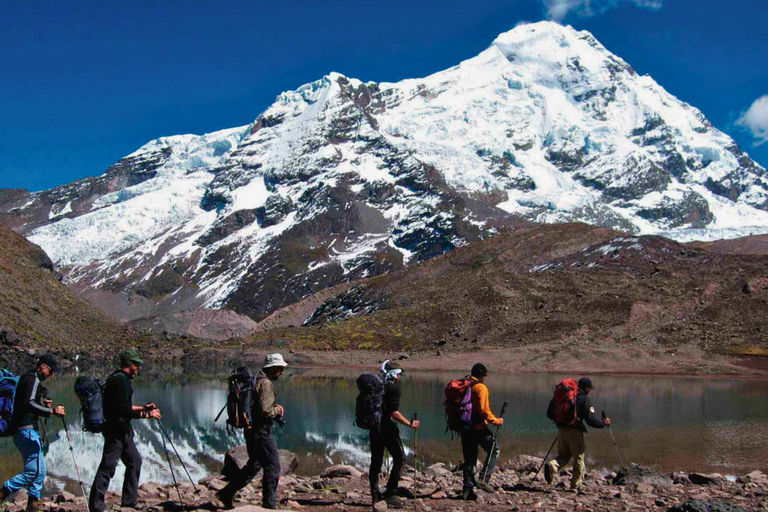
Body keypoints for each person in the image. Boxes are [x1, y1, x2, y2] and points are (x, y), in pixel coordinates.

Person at [89, 349, 162, 512]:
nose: (139, 368)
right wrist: (146, 414)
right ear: (129, 364)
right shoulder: (120, 381)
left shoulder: (118, 379)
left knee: (134, 461)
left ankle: (129, 501)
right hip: (116, 431)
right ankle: (96, 506)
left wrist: (143, 407)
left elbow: (124, 406)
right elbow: (123, 410)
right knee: (108, 467)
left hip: (123, 431)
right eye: (137, 364)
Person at [216, 353, 288, 510]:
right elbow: (266, 411)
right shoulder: (266, 384)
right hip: (262, 431)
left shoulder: (255, 380)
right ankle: (269, 505)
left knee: (254, 464)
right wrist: (278, 410)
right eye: (280, 369)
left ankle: (227, 493)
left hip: (250, 430)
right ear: (272, 368)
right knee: (273, 466)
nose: (282, 372)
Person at [0, 355, 66, 512]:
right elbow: (28, 404)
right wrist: (51, 411)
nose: (51, 375)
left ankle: (33, 504)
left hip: (25, 430)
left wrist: (42, 404)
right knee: (34, 471)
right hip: (26, 430)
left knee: (40, 471)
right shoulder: (33, 379)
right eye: (50, 371)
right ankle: (4, 491)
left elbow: (25, 403)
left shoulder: (26, 378)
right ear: (43, 367)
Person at [368, 360, 420, 509]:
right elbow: (393, 412)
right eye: (399, 374)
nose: (400, 377)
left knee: (376, 461)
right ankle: (390, 493)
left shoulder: (377, 386)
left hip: (374, 428)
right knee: (399, 458)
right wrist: (410, 424)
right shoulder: (394, 388)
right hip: (387, 429)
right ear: (395, 375)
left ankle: (375, 494)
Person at [545, 377, 611, 490]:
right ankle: (576, 485)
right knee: (579, 458)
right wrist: (603, 424)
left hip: (561, 431)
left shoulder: (563, 397)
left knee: (563, 456)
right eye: (590, 388)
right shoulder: (583, 399)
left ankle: (552, 466)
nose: (590, 390)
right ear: (586, 388)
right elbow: (590, 420)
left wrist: (561, 420)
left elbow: (549, 414)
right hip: (575, 432)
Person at [460, 363, 504, 500]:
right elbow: (485, 411)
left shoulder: (465, 384)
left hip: (464, 427)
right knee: (494, 450)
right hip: (478, 427)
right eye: (485, 375)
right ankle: (484, 479)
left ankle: (467, 491)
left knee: (470, 459)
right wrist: (497, 421)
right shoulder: (481, 387)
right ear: (482, 375)